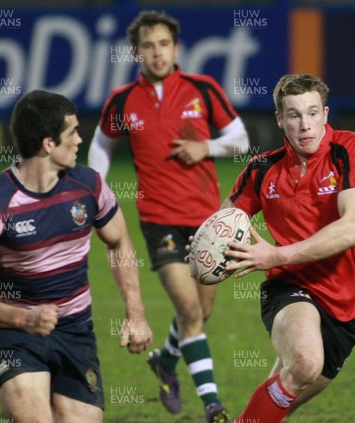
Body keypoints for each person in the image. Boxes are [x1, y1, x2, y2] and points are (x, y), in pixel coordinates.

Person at [87, 10, 249, 422]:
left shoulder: (202, 89)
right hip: (159, 221)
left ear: (175, 48)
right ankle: (213, 405)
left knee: (202, 310)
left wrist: (206, 148)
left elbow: (240, 139)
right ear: (136, 51)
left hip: (208, 222)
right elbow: (102, 144)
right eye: (148, 45)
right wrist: (96, 186)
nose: (156, 53)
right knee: (191, 311)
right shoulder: (123, 101)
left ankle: (165, 364)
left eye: (163, 44)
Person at [0, 89, 153, 422]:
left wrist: (135, 312)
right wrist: (24, 319)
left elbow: (119, 241)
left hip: (76, 331)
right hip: (16, 336)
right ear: (48, 144)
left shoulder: (89, 185)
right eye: (72, 132)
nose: (80, 140)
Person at [222, 73, 355, 422]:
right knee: (306, 362)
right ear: (280, 119)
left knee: (286, 391)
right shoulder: (262, 169)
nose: (305, 125)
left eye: (312, 113)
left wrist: (275, 254)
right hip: (290, 286)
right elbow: (225, 221)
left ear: (326, 114)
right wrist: (207, 248)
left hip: (346, 300)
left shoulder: (354, 150)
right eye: (294, 115)